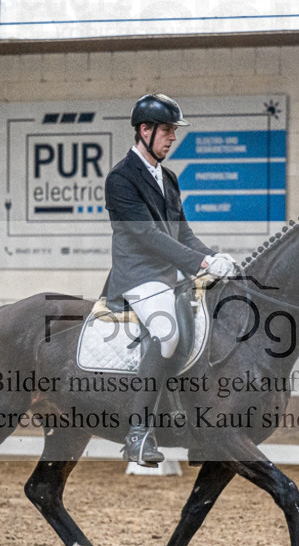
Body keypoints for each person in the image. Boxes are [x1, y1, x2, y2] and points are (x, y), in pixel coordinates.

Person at [103, 93, 234, 466]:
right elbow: (147, 236)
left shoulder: (169, 178)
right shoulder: (121, 179)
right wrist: (200, 262)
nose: (172, 137)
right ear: (144, 131)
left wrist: (213, 257)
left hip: (171, 273)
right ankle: (138, 433)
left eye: (173, 131)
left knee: (212, 320)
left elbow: (182, 234)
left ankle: (196, 423)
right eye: (166, 130)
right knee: (167, 332)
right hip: (138, 276)